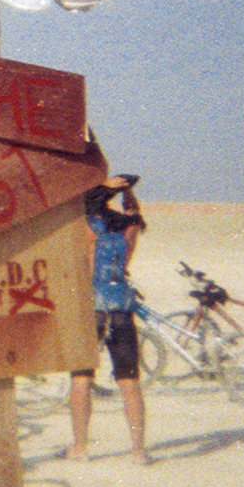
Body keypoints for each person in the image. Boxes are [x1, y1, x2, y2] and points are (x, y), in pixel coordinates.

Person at [66, 175, 149, 465]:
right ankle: (138, 451)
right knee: (129, 381)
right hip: (121, 306)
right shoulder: (129, 229)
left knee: (81, 379)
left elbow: (79, 205)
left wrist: (104, 188)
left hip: (90, 306)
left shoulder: (85, 227)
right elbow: (133, 213)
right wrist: (128, 192)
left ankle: (80, 447)